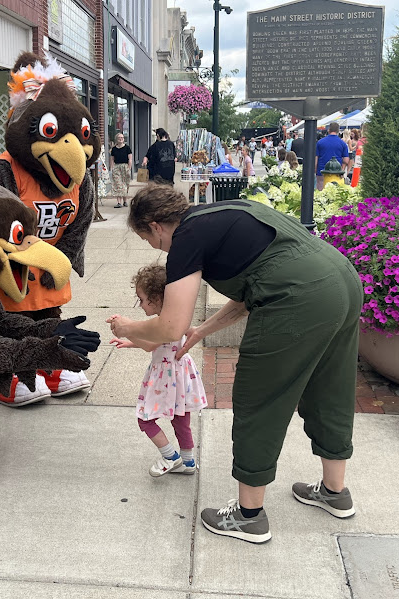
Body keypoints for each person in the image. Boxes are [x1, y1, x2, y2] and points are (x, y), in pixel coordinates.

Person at [107, 183, 363, 544]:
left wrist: (129, 327)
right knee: (329, 390)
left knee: (259, 400)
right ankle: (335, 492)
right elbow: (255, 286)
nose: (157, 248)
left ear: (155, 226)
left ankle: (249, 517)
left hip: (299, 299)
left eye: (149, 240)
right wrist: (203, 330)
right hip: (343, 283)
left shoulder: (186, 238)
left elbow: (169, 325)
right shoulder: (225, 214)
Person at [110, 264, 207, 477]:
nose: (141, 305)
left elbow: (149, 345)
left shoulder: (161, 324)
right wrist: (128, 342)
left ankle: (171, 457)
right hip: (180, 374)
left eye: (142, 300)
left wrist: (126, 331)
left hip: (166, 376)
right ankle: (188, 463)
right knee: (181, 419)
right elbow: (159, 343)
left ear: (156, 299)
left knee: (144, 419)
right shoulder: (178, 318)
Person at [315, 121, 349, 191]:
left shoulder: (320, 142)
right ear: (338, 131)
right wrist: (342, 170)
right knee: (335, 193)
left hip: (322, 171)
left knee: (321, 192)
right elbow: (346, 160)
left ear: (328, 130)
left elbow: (316, 159)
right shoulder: (342, 143)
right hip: (337, 173)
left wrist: (316, 170)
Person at [110, 133, 132, 208]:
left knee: (125, 184)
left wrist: (129, 168)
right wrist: (112, 168)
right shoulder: (114, 149)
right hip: (117, 167)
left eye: (122, 137)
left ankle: (125, 201)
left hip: (125, 166)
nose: (121, 138)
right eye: (119, 137)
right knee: (118, 184)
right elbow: (112, 159)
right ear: (116, 139)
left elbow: (130, 159)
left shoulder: (127, 148)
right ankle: (119, 202)